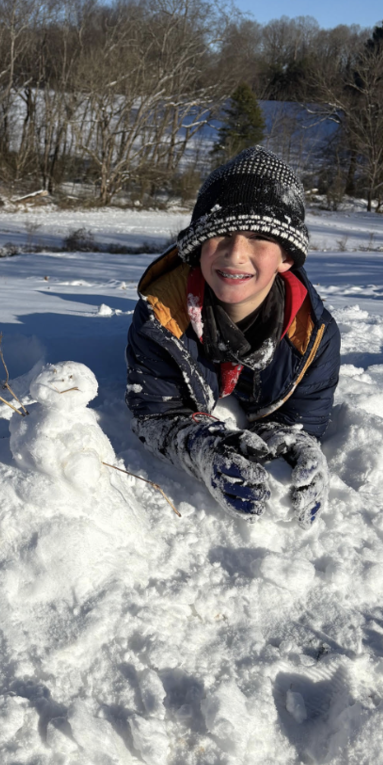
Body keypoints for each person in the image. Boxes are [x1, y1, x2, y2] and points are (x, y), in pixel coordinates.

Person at [126, 146, 340, 526]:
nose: (236, 254)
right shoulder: (160, 319)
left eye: (259, 237)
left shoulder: (313, 338)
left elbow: (302, 419)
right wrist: (205, 449)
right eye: (221, 233)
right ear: (197, 249)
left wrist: (299, 445)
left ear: (287, 258)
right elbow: (156, 414)